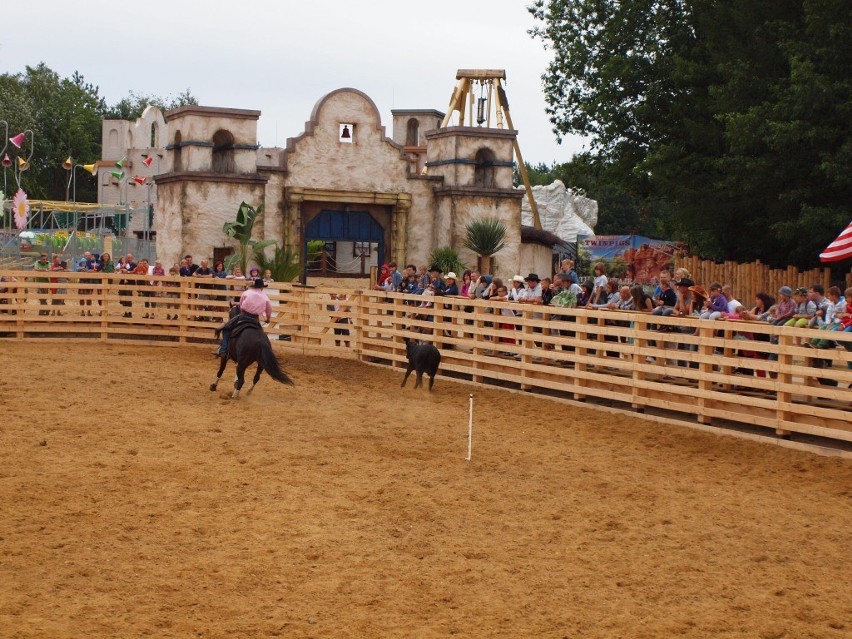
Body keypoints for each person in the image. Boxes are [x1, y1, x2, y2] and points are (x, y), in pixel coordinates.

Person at [215, 278, 273, 356]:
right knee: (262, 334)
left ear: (254, 286)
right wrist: (267, 319)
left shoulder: (247, 292)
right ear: (262, 287)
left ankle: (223, 349)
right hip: (255, 320)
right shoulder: (266, 297)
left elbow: (241, 305)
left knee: (226, 329)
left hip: (243, 316)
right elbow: (269, 310)